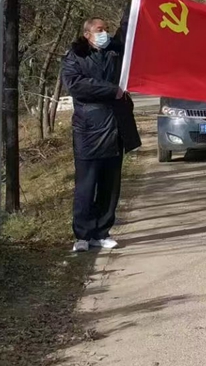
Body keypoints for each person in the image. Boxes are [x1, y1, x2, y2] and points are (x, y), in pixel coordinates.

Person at [62, 14, 142, 253]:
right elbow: (76, 85)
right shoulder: (75, 56)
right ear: (87, 34)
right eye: (99, 29)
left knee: (110, 186)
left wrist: (134, 2)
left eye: (106, 28)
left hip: (115, 129)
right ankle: (83, 235)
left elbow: (128, 28)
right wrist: (111, 90)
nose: (104, 32)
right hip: (89, 131)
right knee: (86, 186)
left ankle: (102, 232)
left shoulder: (115, 52)